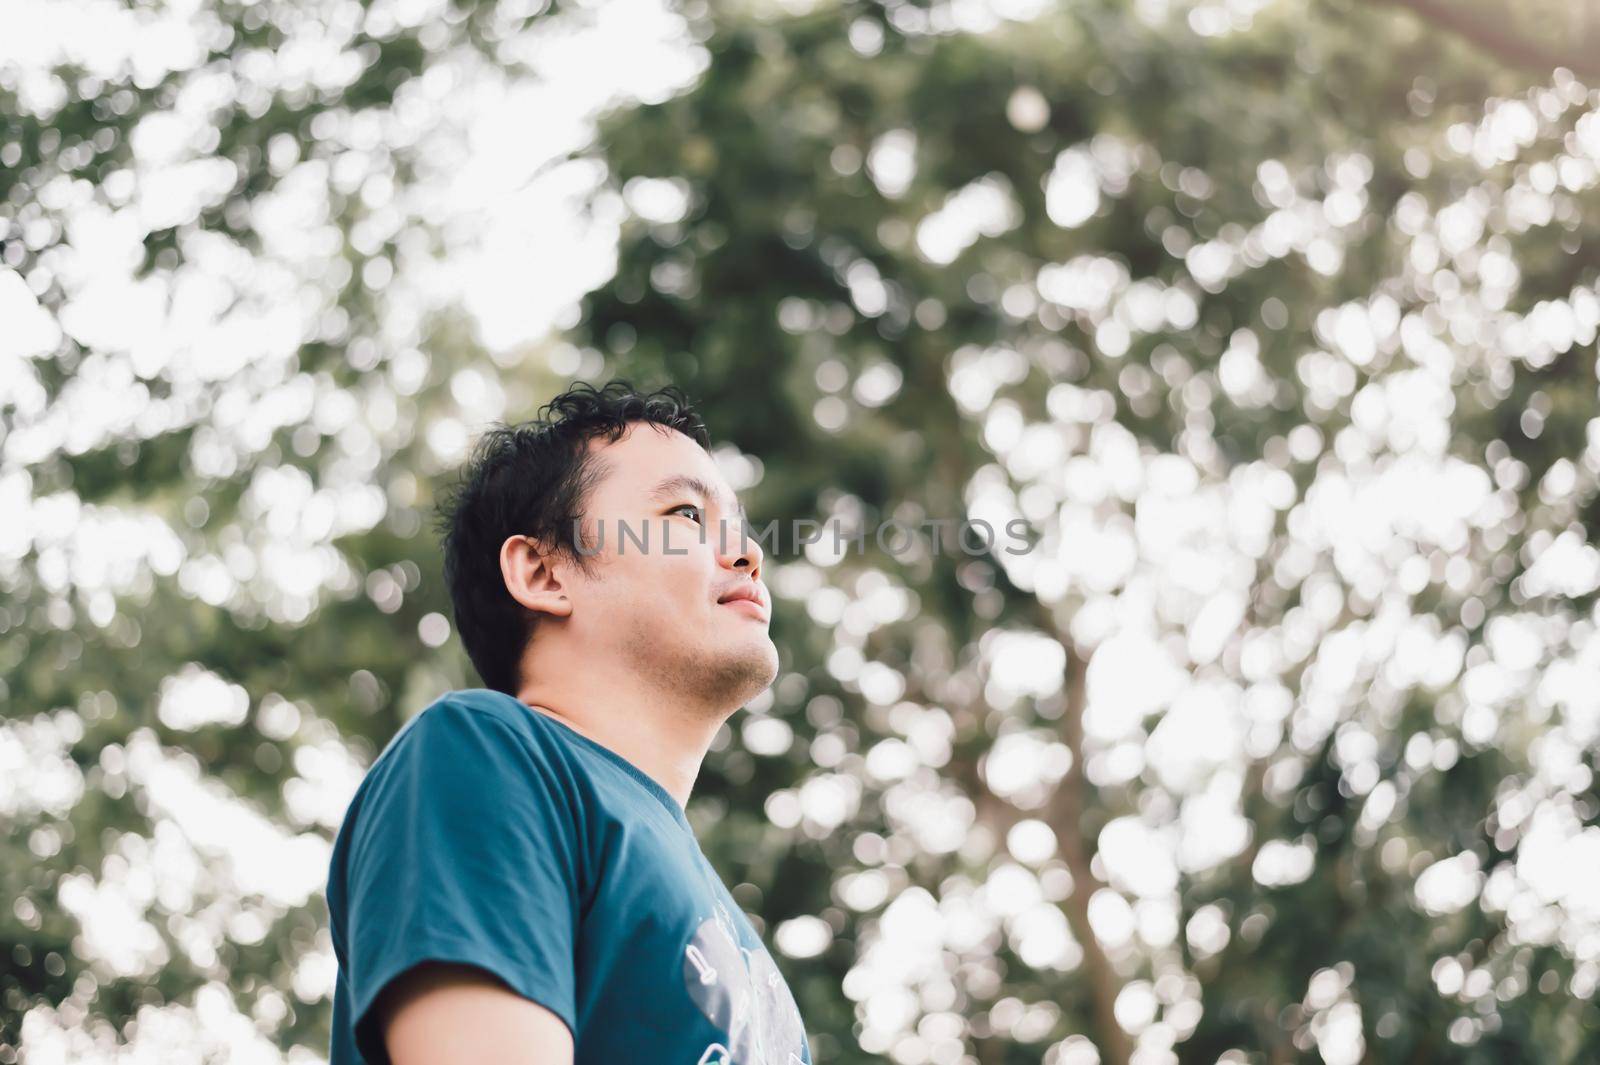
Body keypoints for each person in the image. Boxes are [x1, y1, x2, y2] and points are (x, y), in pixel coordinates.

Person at [323, 381, 811, 1065]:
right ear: (544, 571)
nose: (746, 552)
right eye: (684, 514)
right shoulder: (482, 755)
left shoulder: (737, 933)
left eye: (737, 524)